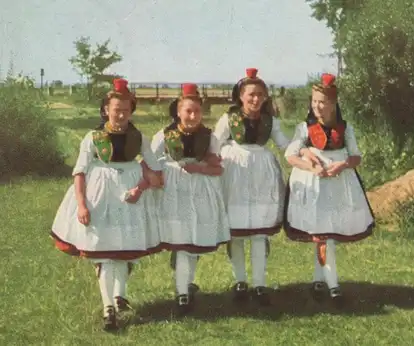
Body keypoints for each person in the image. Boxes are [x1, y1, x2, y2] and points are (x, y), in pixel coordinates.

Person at [50, 78, 163, 331]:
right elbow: (79, 172)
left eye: (125, 110)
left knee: (123, 249)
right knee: (106, 253)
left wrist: (140, 187)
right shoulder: (93, 137)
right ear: (106, 110)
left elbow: (155, 173)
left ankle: (118, 297)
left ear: (131, 110)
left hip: (129, 197)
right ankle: (108, 308)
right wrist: (81, 205)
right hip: (100, 195)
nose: (121, 114)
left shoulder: (139, 138)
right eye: (116, 109)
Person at [213, 68, 319, 306]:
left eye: (260, 95)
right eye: (251, 94)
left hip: (262, 176)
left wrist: (304, 150)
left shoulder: (270, 121)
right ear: (241, 95)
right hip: (235, 175)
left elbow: (285, 145)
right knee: (237, 231)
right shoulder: (228, 119)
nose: (255, 99)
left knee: (259, 232)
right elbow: (213, 145)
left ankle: (259, 284)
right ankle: (240, 280)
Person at [283, 73, 375, 304]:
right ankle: (333, 286)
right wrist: (310, 164)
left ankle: (318, 279)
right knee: (322, 234)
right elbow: (290, 155)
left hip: (339, 185)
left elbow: (356, 157)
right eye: (314, 101)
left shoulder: (346, 128)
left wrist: (342, 164)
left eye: (322, 102)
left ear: (334, 104)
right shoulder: (305, 128)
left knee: (326, 233)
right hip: (314, 186)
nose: (317, 106)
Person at [150, 83, 231, 313]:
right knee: (182, 238)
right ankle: (182, 292)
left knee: (195, 237)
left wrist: (201, 168)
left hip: (200, 191)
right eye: (188, 111)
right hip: (174, 191)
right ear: (178, 111)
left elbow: (218, 168)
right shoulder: (164, 135)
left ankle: (186, 283)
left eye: (197, 111)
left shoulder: (209, 136)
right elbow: (149, 161)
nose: (193, 116)